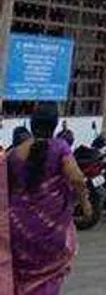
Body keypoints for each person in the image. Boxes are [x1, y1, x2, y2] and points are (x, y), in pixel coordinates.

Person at [5, 103, 91, 294]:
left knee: (20, 277)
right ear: (55, 124)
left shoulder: (14, 153)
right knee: (48, 279)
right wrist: (86, 205)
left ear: (31, 124)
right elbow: (77, 178)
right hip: (51, 230)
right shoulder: (60, 148)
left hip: (18, 228)